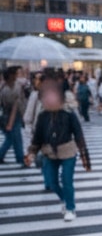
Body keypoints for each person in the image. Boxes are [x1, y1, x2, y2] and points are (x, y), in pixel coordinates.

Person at [24, 76, 90, 221]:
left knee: (67, 180)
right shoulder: (43, 116)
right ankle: (65, 200)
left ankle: (71, 208)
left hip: (68, 151)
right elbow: (38, 137)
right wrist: (31, 152)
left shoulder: (68, 114)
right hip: (49, 152)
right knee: (52, 182)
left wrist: (85, 155)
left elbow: (78, 134)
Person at [0, 65, 26, 164]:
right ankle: (19, 158)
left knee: (13, 138)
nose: (16, 75)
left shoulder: (5, 87)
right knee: (15, 138)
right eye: (14, 73)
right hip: (12, 115)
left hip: (7, 115)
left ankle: (18, 157)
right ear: (10, 75)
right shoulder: (11, 88)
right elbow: (16, 105)